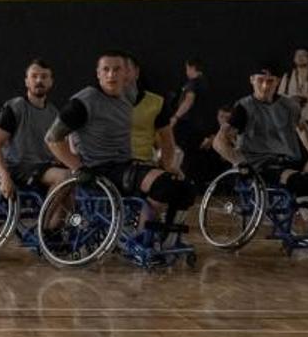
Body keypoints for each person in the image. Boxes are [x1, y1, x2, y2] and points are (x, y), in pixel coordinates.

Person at [44, 52, 196, 225]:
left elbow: (167, 137)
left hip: (125, 164)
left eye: (117, 70)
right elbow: (52, 138)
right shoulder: (83, 102)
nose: (111, 75)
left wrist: (169, 166)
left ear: (127, 74)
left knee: (186, 189)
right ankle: (143, 236)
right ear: (98, 73)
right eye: (106, 70)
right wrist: (78, 167)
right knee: (164, 186)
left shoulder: (128, 95)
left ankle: (154, 234)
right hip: (99, 169)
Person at [213, 62, 308, 238]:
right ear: (252, 80)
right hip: (264, 164)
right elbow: (218, 141)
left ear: (277, 82)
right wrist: (239, 162)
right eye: (261, 80)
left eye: (270, 81)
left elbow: (303, 128)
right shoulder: (244, 107)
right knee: (301, 181)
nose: (265, 86)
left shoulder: (289, 105)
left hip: (291, 159)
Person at [0, 59, 71, 200]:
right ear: (26, 81)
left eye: (44, 77)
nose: (39, 80)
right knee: (65, 177)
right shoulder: (15, 107)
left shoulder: (54, 113)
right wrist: (4, 177)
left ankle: (58, 222)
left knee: (74, 177)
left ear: (51, 82)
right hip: (19, 167)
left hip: (44, 167)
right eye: (34, 76)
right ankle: (44, 221)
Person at [127, 55, 178, 170]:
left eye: (127, 69)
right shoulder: (97, 102)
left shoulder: (156, 103)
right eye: (117, 70)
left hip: (142, 165)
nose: (122, 74)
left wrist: (168, 169)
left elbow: (167, 142)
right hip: (107, 166)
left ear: (136, 72)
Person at [169, 57, 210, 181]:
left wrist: (176, 117)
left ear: (191, 67)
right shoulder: (205, 83)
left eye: (187, 68)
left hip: (187, 125)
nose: (186, 71)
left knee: (179, 152)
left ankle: (176, 180)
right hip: (200, 126)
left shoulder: (192, 83)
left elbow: (189, 101)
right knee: (191, 156)